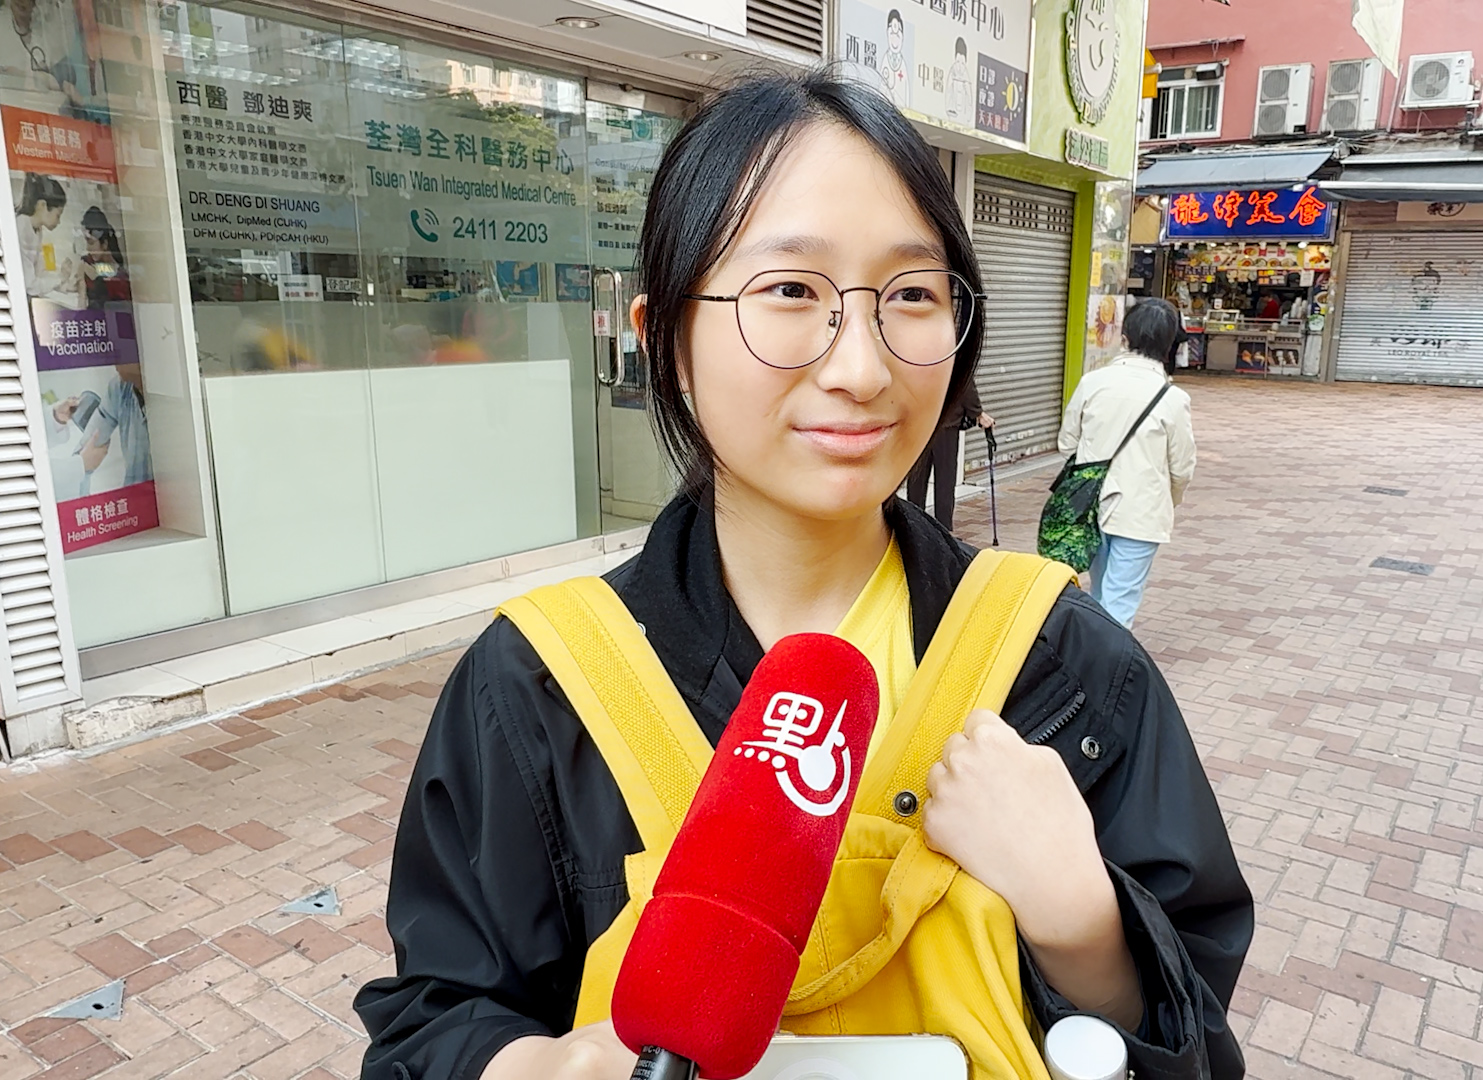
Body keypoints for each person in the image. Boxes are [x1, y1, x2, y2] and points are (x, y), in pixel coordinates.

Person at [355, 73, 1251, 1080]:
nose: (861, 369)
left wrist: (1086, 927)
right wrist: (546, 1069)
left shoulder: (1066, 664)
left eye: (911, 295)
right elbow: (436, 1017)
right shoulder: (536, 686)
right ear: (664, 341)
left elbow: (1197, 1039)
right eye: (791, 291)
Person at [1055, 299, 1197, 629]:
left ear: (1125, 336)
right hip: (1141, 511)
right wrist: (1169, 500)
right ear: (1169, 346)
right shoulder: (1173, 399)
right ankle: (1104, 659)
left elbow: (1067, 443)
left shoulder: (1093, 382)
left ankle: (1091, 651)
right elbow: (1182, 468)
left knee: (1100, 592)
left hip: (1089, 504)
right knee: (1120, 600)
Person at [905, 374, 992, 530]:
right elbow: (964, 382)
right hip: (946, 423)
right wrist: (978, 413)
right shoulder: (954, 357)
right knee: (945, 478)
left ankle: (914, 526)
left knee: (917, 477)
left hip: (920, 421)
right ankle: (942, 529)